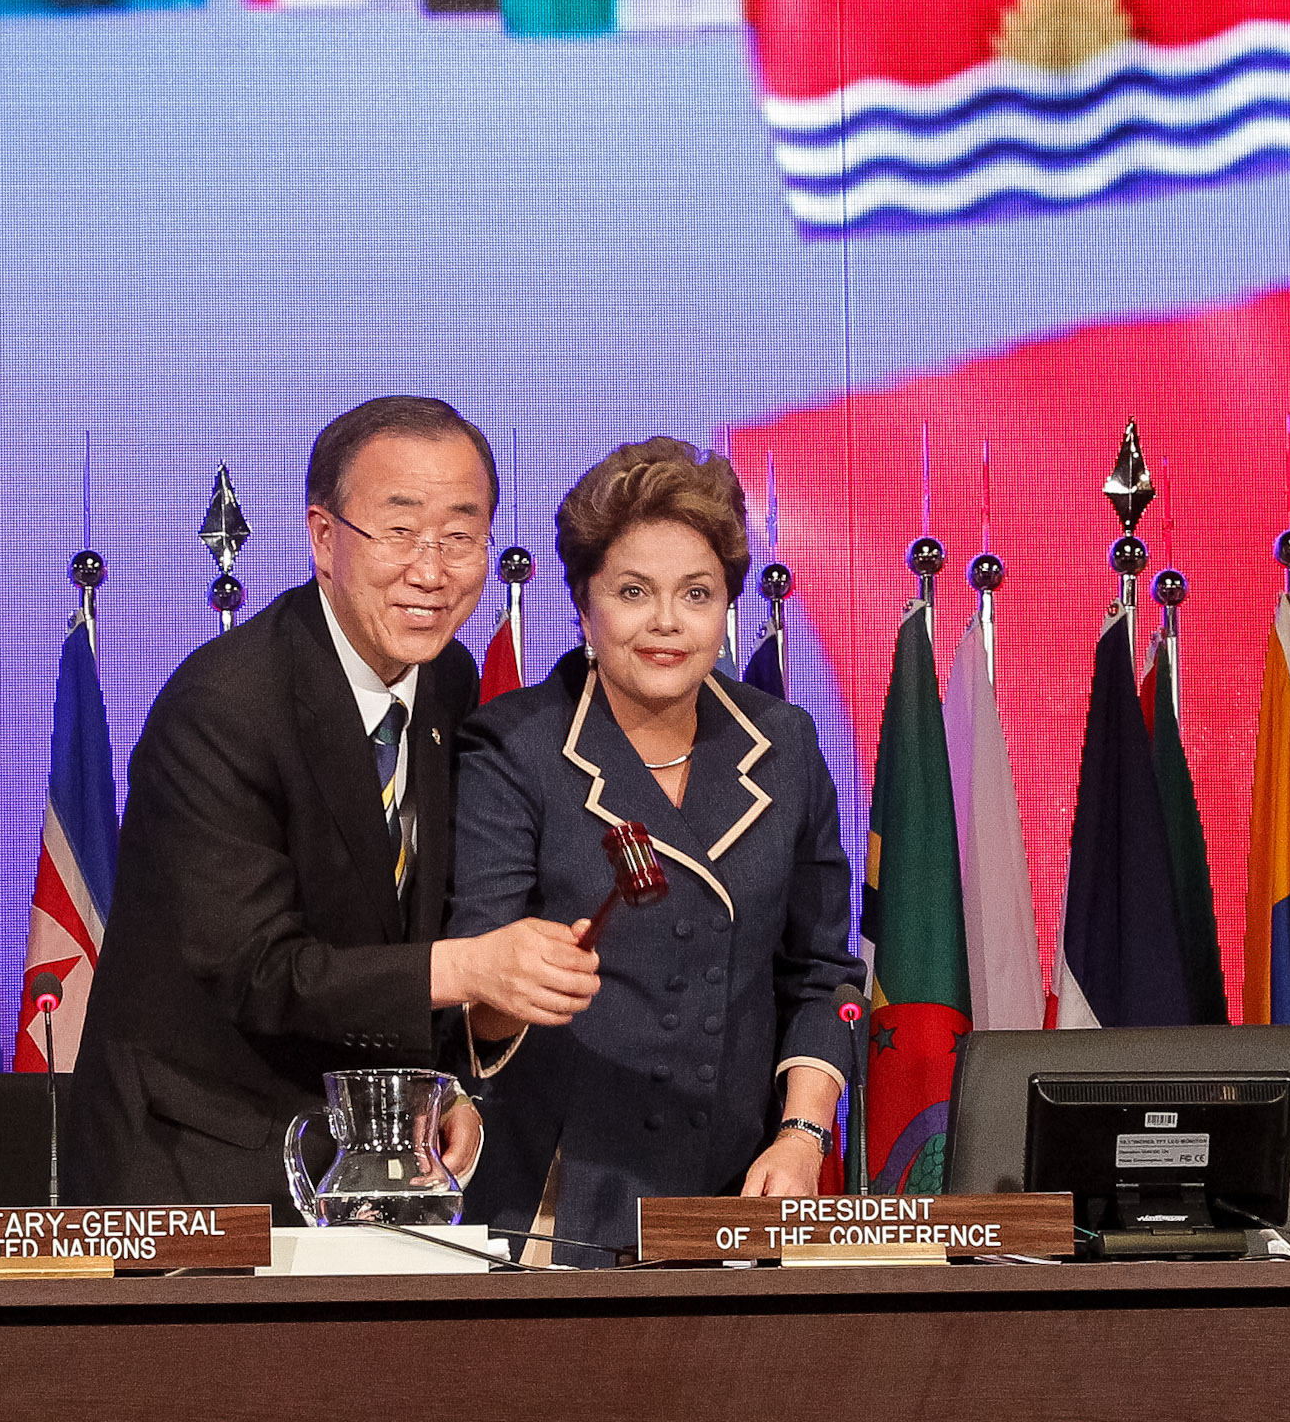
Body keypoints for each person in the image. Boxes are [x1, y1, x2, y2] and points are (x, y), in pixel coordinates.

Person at [70, 397, 602, 1214]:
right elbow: (259, 970)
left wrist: (442, 1086)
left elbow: (389, 930)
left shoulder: (450, 683)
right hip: (197, 1161)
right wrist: (471, 966)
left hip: (367, 1165)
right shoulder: (223, 706)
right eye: (400, 532)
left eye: (461, 536)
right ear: (324, 538)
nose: (433, 569)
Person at [448, 437, 864, 1264]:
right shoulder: (514, 748)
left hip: (736, 1188)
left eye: (697, 594)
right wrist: (517, 980)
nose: (667, 623)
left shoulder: (782, 743)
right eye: (634, 592)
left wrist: (802, 1135)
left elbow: (822, 974)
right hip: (554, 1201)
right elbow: (471, 998)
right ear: (584, 606)